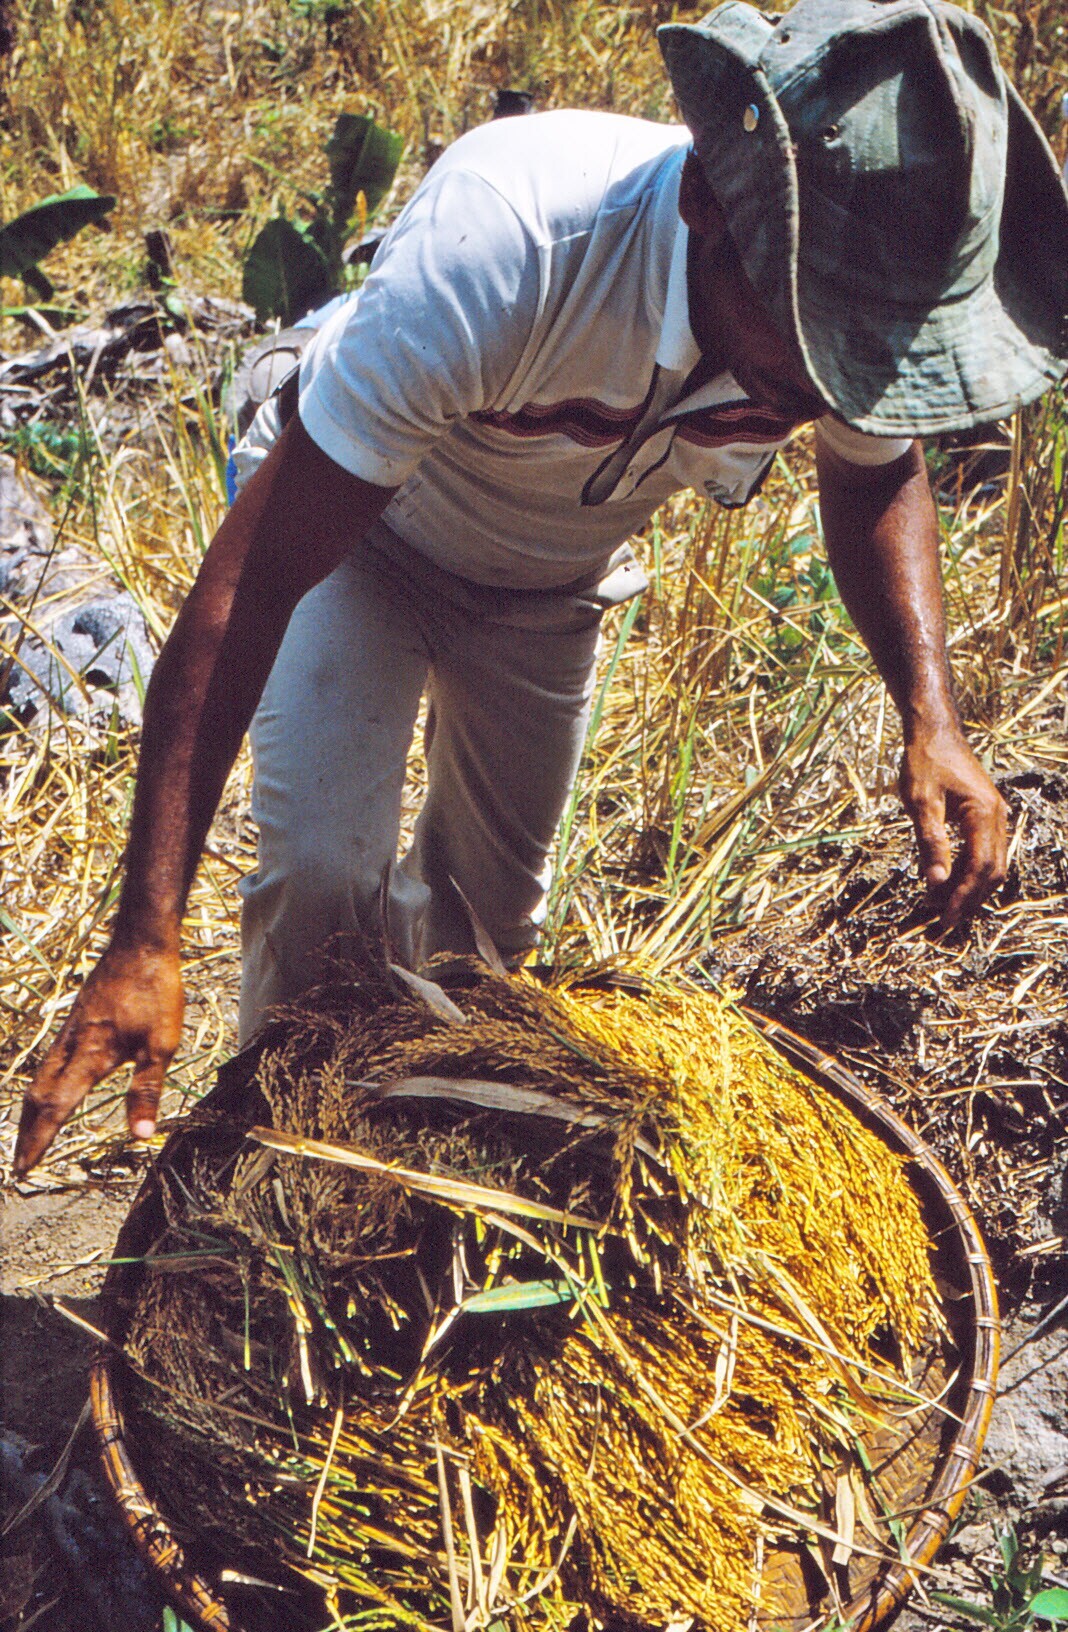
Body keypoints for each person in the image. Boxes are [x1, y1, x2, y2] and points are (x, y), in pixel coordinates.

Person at [13, 0, 1068, 1175]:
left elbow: (876, 475)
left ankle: (421, 1186)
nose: (827, 398)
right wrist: (143, 933)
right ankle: (273, 1183)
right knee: (322, 878)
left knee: (487, 939)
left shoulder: (835, 314)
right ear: (707, 206)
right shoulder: (514, 241)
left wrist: (933, 717)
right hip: (363, 539)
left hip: (550, 581)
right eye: (812, 353)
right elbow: (252, 585)